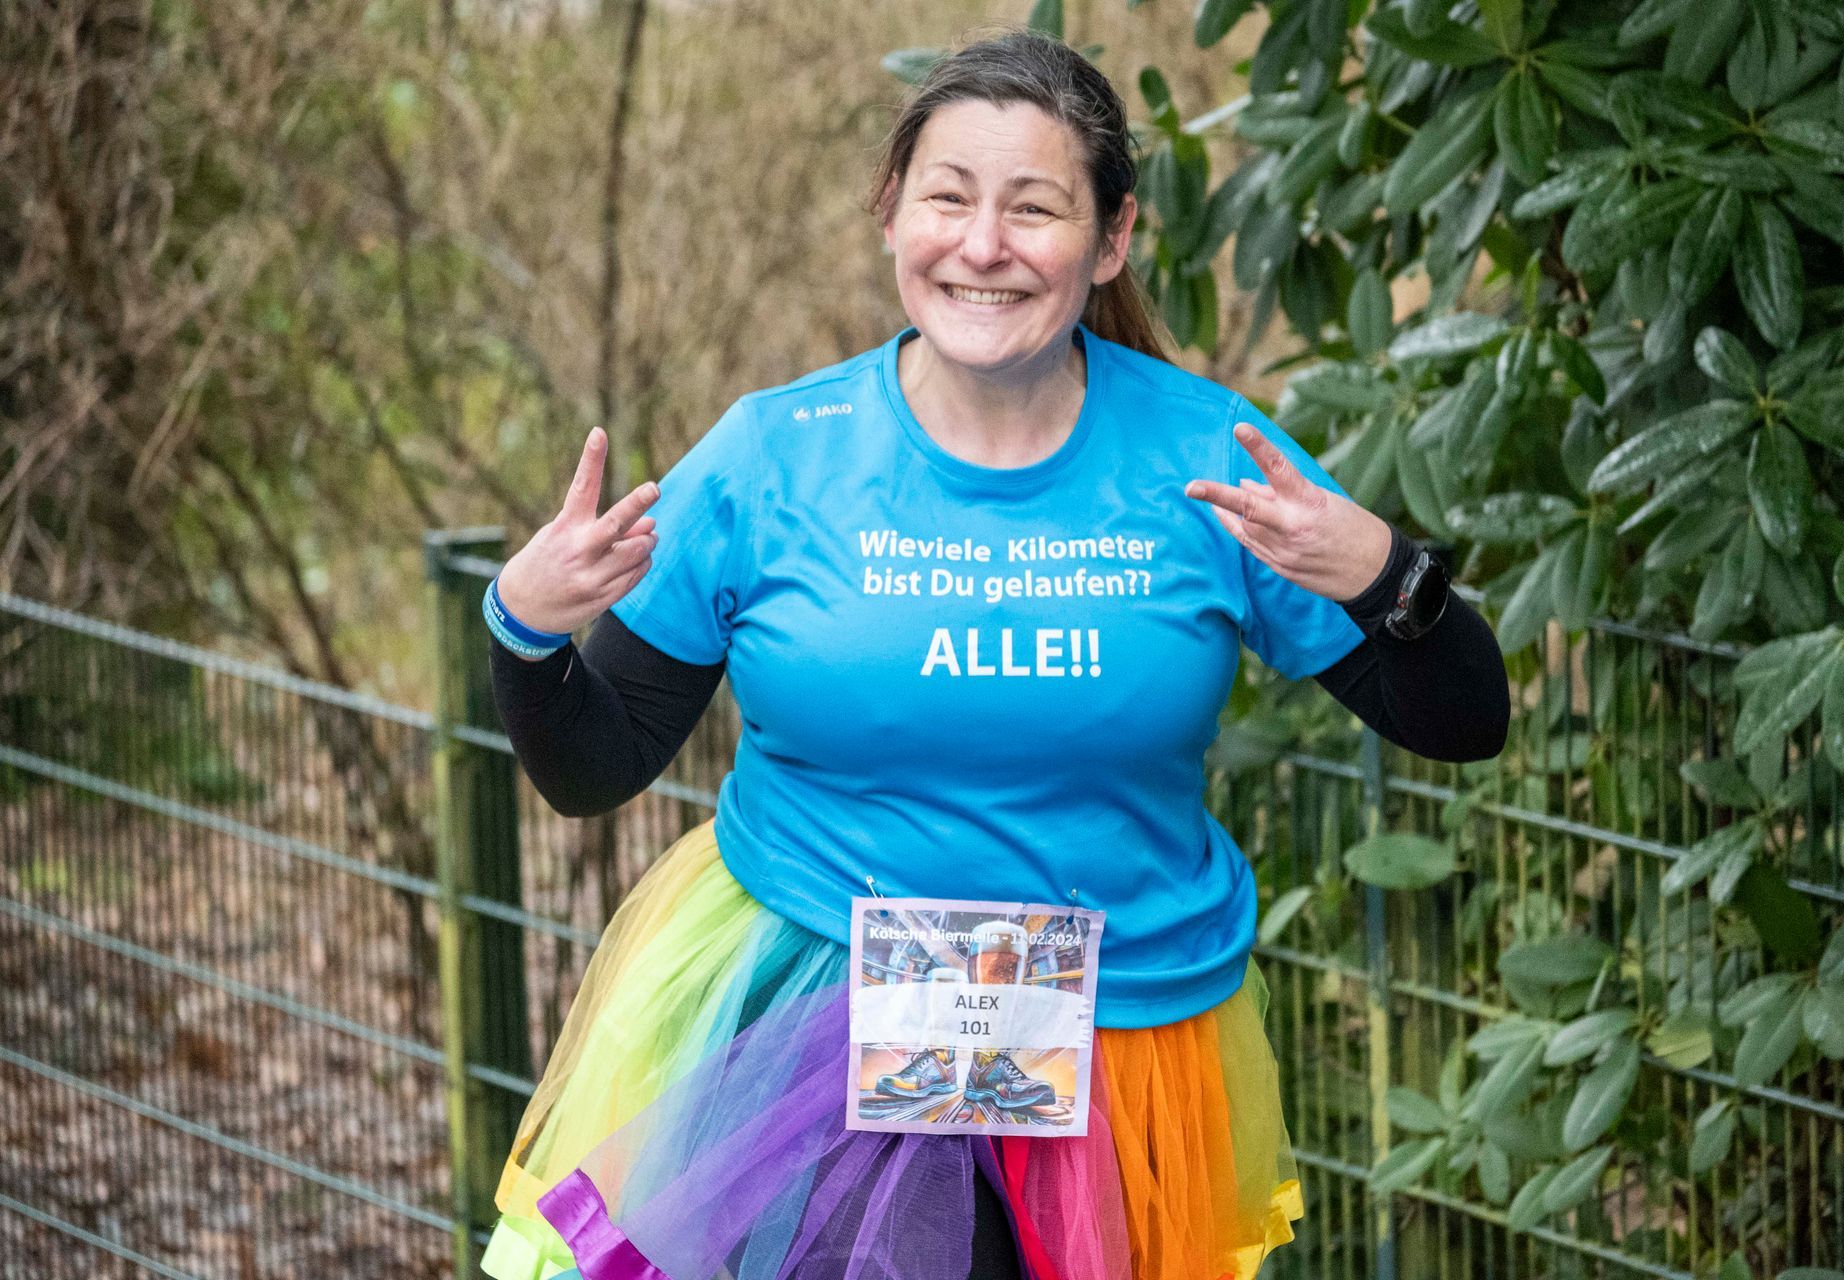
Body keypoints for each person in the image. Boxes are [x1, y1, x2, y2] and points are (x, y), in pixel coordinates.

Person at [476, 28, 1508, 1280]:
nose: (983, 245)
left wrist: (1388, 575)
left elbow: (1462, 717)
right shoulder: (770, 457)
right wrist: (525, 627)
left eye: (1035, 208)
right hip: (813, 1028)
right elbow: (596, 762)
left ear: (1112, 237)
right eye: (949, 199)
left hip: (1120, 1041)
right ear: (891, 215)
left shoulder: (1210, 461)